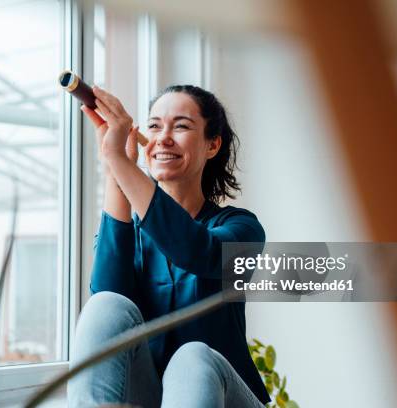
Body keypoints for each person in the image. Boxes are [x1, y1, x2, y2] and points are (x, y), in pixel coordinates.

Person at [67, 84, 270, 408]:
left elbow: (198, 251)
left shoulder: (241, 228)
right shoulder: (130, 236)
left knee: (192, 358)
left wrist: (121, 162)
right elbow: (110, 305)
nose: (163, 137)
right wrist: (114, 170)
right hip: (150, 397)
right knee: (106, 304)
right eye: (155, 125)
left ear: (212, 145)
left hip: (227, 398)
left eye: (181, 126)